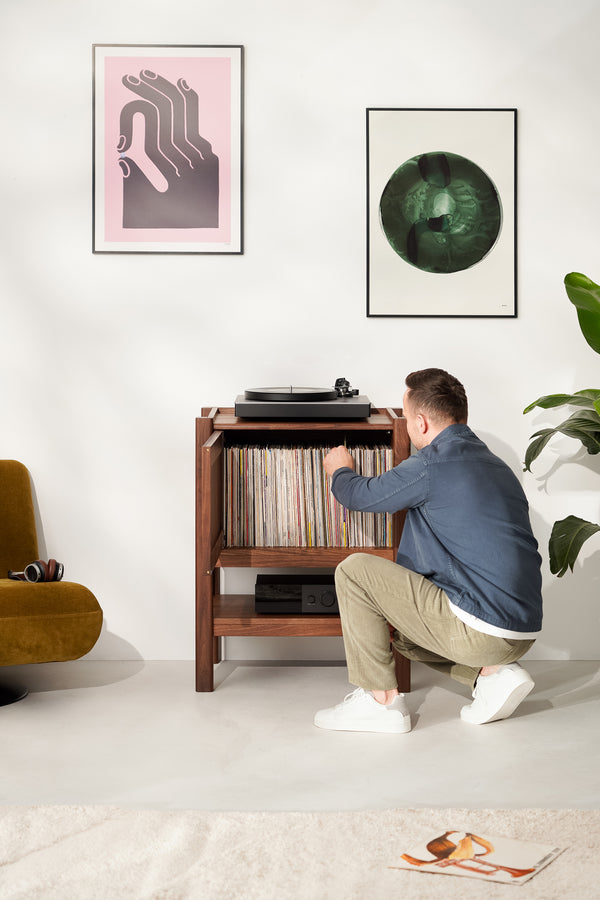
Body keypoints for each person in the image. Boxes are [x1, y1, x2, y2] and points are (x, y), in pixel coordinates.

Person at [314, 368, 542, 734]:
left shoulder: (431, 464)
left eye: (404, 419)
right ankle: (492, 675)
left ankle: (379, 703)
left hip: (479, 628)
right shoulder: (498, 465)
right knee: (404, 636)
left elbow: (359, 495)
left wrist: (340, 470)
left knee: (354, 570)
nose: (405, 426)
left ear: (420, 422)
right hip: (522, 628)